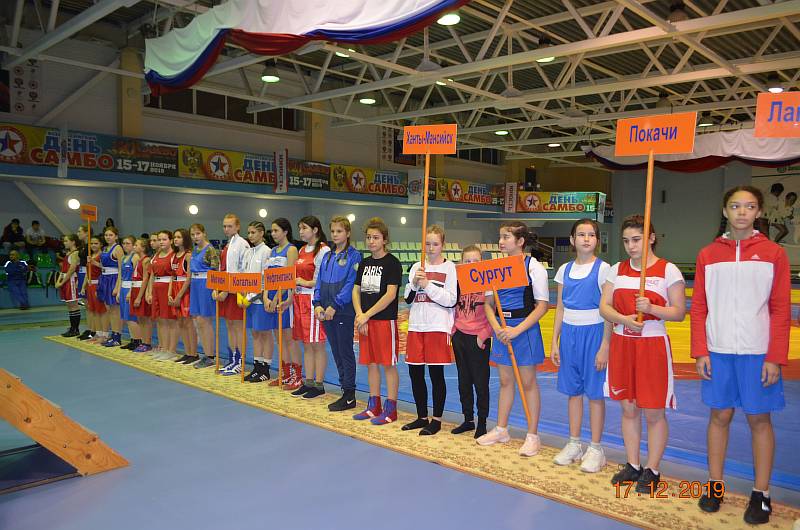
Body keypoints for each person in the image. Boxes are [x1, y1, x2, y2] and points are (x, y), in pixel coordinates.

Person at [691, 186, 790, 525]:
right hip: (718, 352)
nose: (742, 212)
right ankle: (715, 485)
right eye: (735, 206)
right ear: (725, 210)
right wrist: (700, 350)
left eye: (749, 206)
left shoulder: (774, 253)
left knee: (759, 420)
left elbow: (780, 309)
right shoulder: (708, 254)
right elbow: (699, 307)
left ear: (759, 212)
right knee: (719, 416)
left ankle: (761, 494)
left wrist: (774, 356)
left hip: (757, 353)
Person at [600, 215, 686, 494]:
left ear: (651, 238)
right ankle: (633, 464)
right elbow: (604, 307)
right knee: (628, 407)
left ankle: (653, 469)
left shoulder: (668, 270)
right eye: (626, 241)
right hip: (623, 343)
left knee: (653, 410)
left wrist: (651, 308)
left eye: (636, 239)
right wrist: (624, 319)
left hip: (652, 344)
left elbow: (679, 312)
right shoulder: (617, 270)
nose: (631, 246)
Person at [478, 221, 549, 457]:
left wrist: (516, 331)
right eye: (500, 236)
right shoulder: (494, 267)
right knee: (505, 381)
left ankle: (532, 435)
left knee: (528, 383)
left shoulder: (533, 267)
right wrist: (497, 327)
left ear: (520, 241)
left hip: (524, 331)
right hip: (502, 330)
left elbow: (542, 306)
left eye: (506, 237)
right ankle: (501, 429)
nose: (501, 241)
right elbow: (488, 304)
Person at [550, 218, 612, 473]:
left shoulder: (604, 269)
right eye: (581, 234)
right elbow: (560, 308)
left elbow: (608, 312)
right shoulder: (564, 270)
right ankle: (574, 443)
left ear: (597, 240)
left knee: (595, 393)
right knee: (573, 392)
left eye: (591, 234)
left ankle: (596, 448)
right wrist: (555, 341)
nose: (586, 239)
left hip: (594, 334)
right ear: (572, 240)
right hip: (569, 336)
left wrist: (605, 345)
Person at [402, 225, 458, 435]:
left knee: (436, 374)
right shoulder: (418, 266)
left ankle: (437, 420)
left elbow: (451, 300)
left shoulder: (450, 268)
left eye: (435, 244)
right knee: (415, 373)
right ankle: (421, 416)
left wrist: (428, 285)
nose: (431, 248)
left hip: (438, 326)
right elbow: (408, 299)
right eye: (427, 244)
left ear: (443, 245)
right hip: (416, 326)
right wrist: (414, 283)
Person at [352, 217, 402, 425]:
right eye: (368, 237)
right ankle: (374, 405)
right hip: (365, 321)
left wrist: (367, 314)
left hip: (384, 321)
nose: (371, 241)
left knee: (387, 364)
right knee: (370, 364)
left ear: (384, 240)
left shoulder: (392, 263)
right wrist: (360, 315)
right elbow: (356, 291)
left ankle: (391, 408)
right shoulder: (364, 264)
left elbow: (390, 295)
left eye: (376, 237)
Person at [314, 216, 362, 411]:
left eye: (339, 231)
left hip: (342, 311)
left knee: (345, 352)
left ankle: (350, 394)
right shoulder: (327, 256)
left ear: (348, 233)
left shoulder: (354, 256)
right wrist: (317, 303)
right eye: (333, 231)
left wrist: (335, 305)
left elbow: (351, 284)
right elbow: (319, 281)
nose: (335, 235)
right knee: (336, 351)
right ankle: (344, 390)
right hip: (325, 311)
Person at [451, 244, 492, 438]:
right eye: (467, 261)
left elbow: (494, 313)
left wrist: (484, 335)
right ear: (461, 263)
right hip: (460, 336)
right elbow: (452, 306)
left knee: (480, 383)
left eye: (475, 261)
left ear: (482, 262)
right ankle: (468, 419)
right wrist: (453, 330)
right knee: (463, 381)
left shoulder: (488, 284)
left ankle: (482, 422)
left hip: (478, 339)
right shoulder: (457, 282)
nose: (471, 264)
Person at [290, 216, 330, 398]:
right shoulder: (301, 250)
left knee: (317, 344)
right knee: (306, 344)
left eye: (304, 228)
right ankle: (308, 381)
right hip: (300, 299)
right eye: (299, 228)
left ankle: (319, 385)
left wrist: (304, 282)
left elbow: (322, 279)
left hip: (313, 299)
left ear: (315, 230)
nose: (301, 232)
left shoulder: (323, 250)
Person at [264, 218, 298, 386]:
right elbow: (268, 277)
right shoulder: (272, 251)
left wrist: (277, 298)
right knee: (279, 339)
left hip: (284, 298)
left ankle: (296, 375)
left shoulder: (291, 250)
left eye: (276, 230)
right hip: (271, 297)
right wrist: (266, 297)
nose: (273, 234)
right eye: (272, 231)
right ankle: (285, 373)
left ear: (285, 231)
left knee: (289, 338)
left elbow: (289, 278)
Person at [214, 214, 249, 373]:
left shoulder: (242, 244)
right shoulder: (228, 244)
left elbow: (242, 270)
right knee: (229, 325)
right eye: (224, 226)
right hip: (226, 290)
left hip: (237, 291)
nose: (226, 229)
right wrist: (218, 288)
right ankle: (233, 359)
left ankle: (240, 361)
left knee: (238, 326)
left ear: (237, 227)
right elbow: (223, 269)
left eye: (230, 226)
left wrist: (228, 290)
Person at [240, 221, 272, 381]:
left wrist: (256, 296)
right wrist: (243, 296)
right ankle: (257, 366)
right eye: (249, 233)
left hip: (260, 299)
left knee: (265, 333)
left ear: (261, 233)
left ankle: (265, 369)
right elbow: (244, 275)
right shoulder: (248, 252)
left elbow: (266, 279)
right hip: (249, 300)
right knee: (255, 333)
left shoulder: (267, 252)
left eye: (253, 232)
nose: (250, 235)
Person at [188, 224, 218, 368]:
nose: (195, 237)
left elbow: (216, 270)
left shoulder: (210, 249)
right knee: (198, 321)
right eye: (193, 234)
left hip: (206, 285)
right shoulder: (194, 250)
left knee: (205, 321)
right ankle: (206, 354)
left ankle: (210, 356)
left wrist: (215, 288)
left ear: (204, 233)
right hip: (195, 284)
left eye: (198, 234)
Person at [147, 230, 177, 361]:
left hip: (167, 288)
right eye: (159, 240)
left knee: (170, 320)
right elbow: (152, 275)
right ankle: (163, 348)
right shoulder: (156, 255)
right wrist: (149, 292)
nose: (161, 242)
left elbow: (174, 275)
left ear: (171, 241)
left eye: (164, 239)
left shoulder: (173, 255)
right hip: (156, 288)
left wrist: (170, 292)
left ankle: (171, 350)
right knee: (159, 320)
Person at [169, 228, 198, 364]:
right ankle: (187, 352)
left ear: (185, 239)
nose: (176, 239)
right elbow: (172, 276)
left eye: (179, 237)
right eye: (175, 237)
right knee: (180, 322)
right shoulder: (174, 256)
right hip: (175, 289)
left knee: (188, 323)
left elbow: (188, 278)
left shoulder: (188, 255)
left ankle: (194, 353)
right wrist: (170, 294)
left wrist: (179, 296)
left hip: (184, 291)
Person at [96, 227, 124, 347]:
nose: (108, 237)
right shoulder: (105, 249)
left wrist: (117, 286)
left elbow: (121, 268)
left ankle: (117, 336)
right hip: (104, 279)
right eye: (106, 235)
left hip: (113, 279)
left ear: (116, 236)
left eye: (110, 235)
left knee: (115, 310)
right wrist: (93, 262)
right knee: (109, 309)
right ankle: (113, 334)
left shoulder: (117, 248)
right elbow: (104, 266)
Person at [80, 236, 106, 340]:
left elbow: (106, 269)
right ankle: (97, 333)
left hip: (98, 284)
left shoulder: (102, 256)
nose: (93, 245)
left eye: (96, 243)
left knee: (101, 310)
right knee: (93, 310)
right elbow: (87, 273)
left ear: (101, 244)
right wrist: (83, 286)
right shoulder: (90, 256)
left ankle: (104, 334)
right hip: (90, 285)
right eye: (91, 243)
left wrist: (94, 263)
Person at [130, 237, 153, 353]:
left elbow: (145, 279)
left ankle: (147, 343)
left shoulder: (146, 260)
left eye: (136, 245)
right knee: (140, 318)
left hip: (141, 290)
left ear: (143, 248)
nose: (134, 247)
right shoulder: (138, 259)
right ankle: (143, 341)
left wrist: (139, 297)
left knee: (145, 318)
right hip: (135, 288)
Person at [55, 234, 81, 336]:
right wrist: (58, 281)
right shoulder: (68, 253)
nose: (64, 243)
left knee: (73, 305)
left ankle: (75, 329)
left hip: (71, 280)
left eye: (66, 241)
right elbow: (63, 270)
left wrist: (62, 282)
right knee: (69, 305)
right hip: (66, 280)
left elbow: (72, 269)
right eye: (64, 241)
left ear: (73, 242)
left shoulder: (75, 253)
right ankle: (72, 328)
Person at [118, 236, 140, 350]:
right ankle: (132, 339)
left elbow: (136, 276)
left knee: (131, 317)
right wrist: (118, 291)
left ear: (133, 245)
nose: (125, 245)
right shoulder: (123, 258)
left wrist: (131, 292)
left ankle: (137, 340)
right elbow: (120, 275)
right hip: (123, 288)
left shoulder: (135, 257)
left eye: (128, 243)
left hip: (131, 288)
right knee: (125, 317)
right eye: (124, 243)